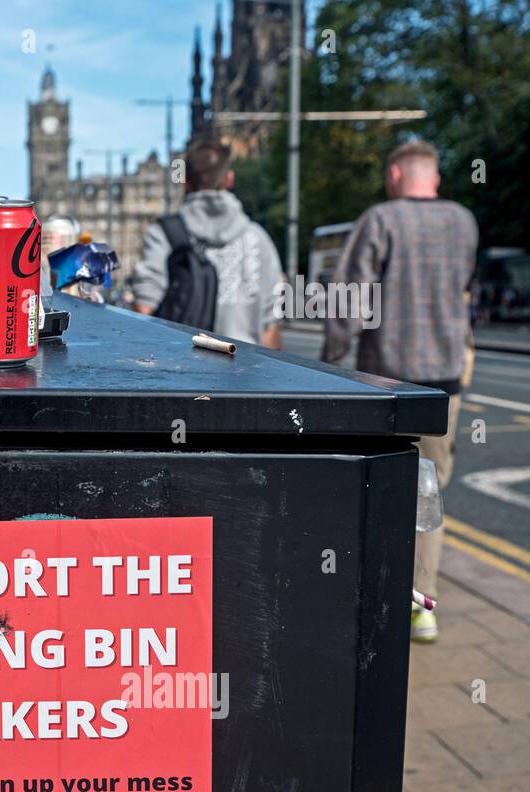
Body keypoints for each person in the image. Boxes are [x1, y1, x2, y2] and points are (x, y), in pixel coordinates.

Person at [322, 140, 478, 643]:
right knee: (428, 494)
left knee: (377, 486)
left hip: (387, 382)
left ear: (394, 173)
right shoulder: (464, 222)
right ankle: (423, 607)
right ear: (434, 175)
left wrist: (329, 360)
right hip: (445, 381)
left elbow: (351, 300)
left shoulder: (381, 220)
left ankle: (374, 593)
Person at [131, 140, 284, 348]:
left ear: (184, 181)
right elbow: (271, 327)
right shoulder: (258, 238)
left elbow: (144, 309)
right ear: (229, 179)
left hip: (183, 369)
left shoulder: (163, 234)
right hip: (246, 372)